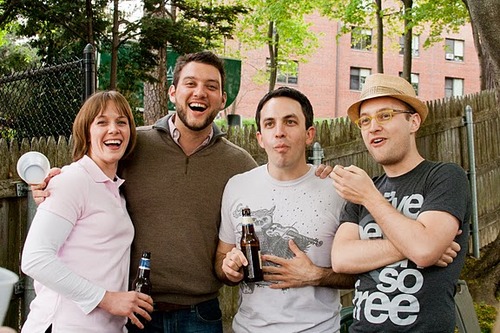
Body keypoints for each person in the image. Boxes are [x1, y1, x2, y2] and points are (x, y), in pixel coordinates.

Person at [33, 51, 333, 333]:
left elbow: (279, 187)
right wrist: (52, 181)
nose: (200, 92)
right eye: (190, 83)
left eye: (211, 86)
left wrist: (319, 175)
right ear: (173, 92)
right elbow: (94, 170)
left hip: (200, 314)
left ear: (222, 100)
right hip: (135, 310)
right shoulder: (135, 144)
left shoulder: (238, 163)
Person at [330, 74, 471, 332]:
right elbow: (341, 259)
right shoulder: (362, 188)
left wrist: (370, 198)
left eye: (385, 115)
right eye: (365, 120)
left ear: (413, 121)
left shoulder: (445, 176)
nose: (373, 127)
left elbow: (425, 249)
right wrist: (416, 244)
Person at [215, 87, 356, 332]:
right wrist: (229, 268)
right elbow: (220, 260)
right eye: (270, 124)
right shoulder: (237, 187)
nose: (279, 132)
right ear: (260, 137)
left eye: (290, 122)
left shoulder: (338, 189)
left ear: (309, 133)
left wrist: (317, 275)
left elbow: (361, 273)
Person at [21, 91, 154, 333]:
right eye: (102, 122)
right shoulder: (72, 180)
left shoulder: (114, 189)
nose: (114, 129)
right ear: (86, 133)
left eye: (121, 122)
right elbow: (35, 259)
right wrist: (108, 299)